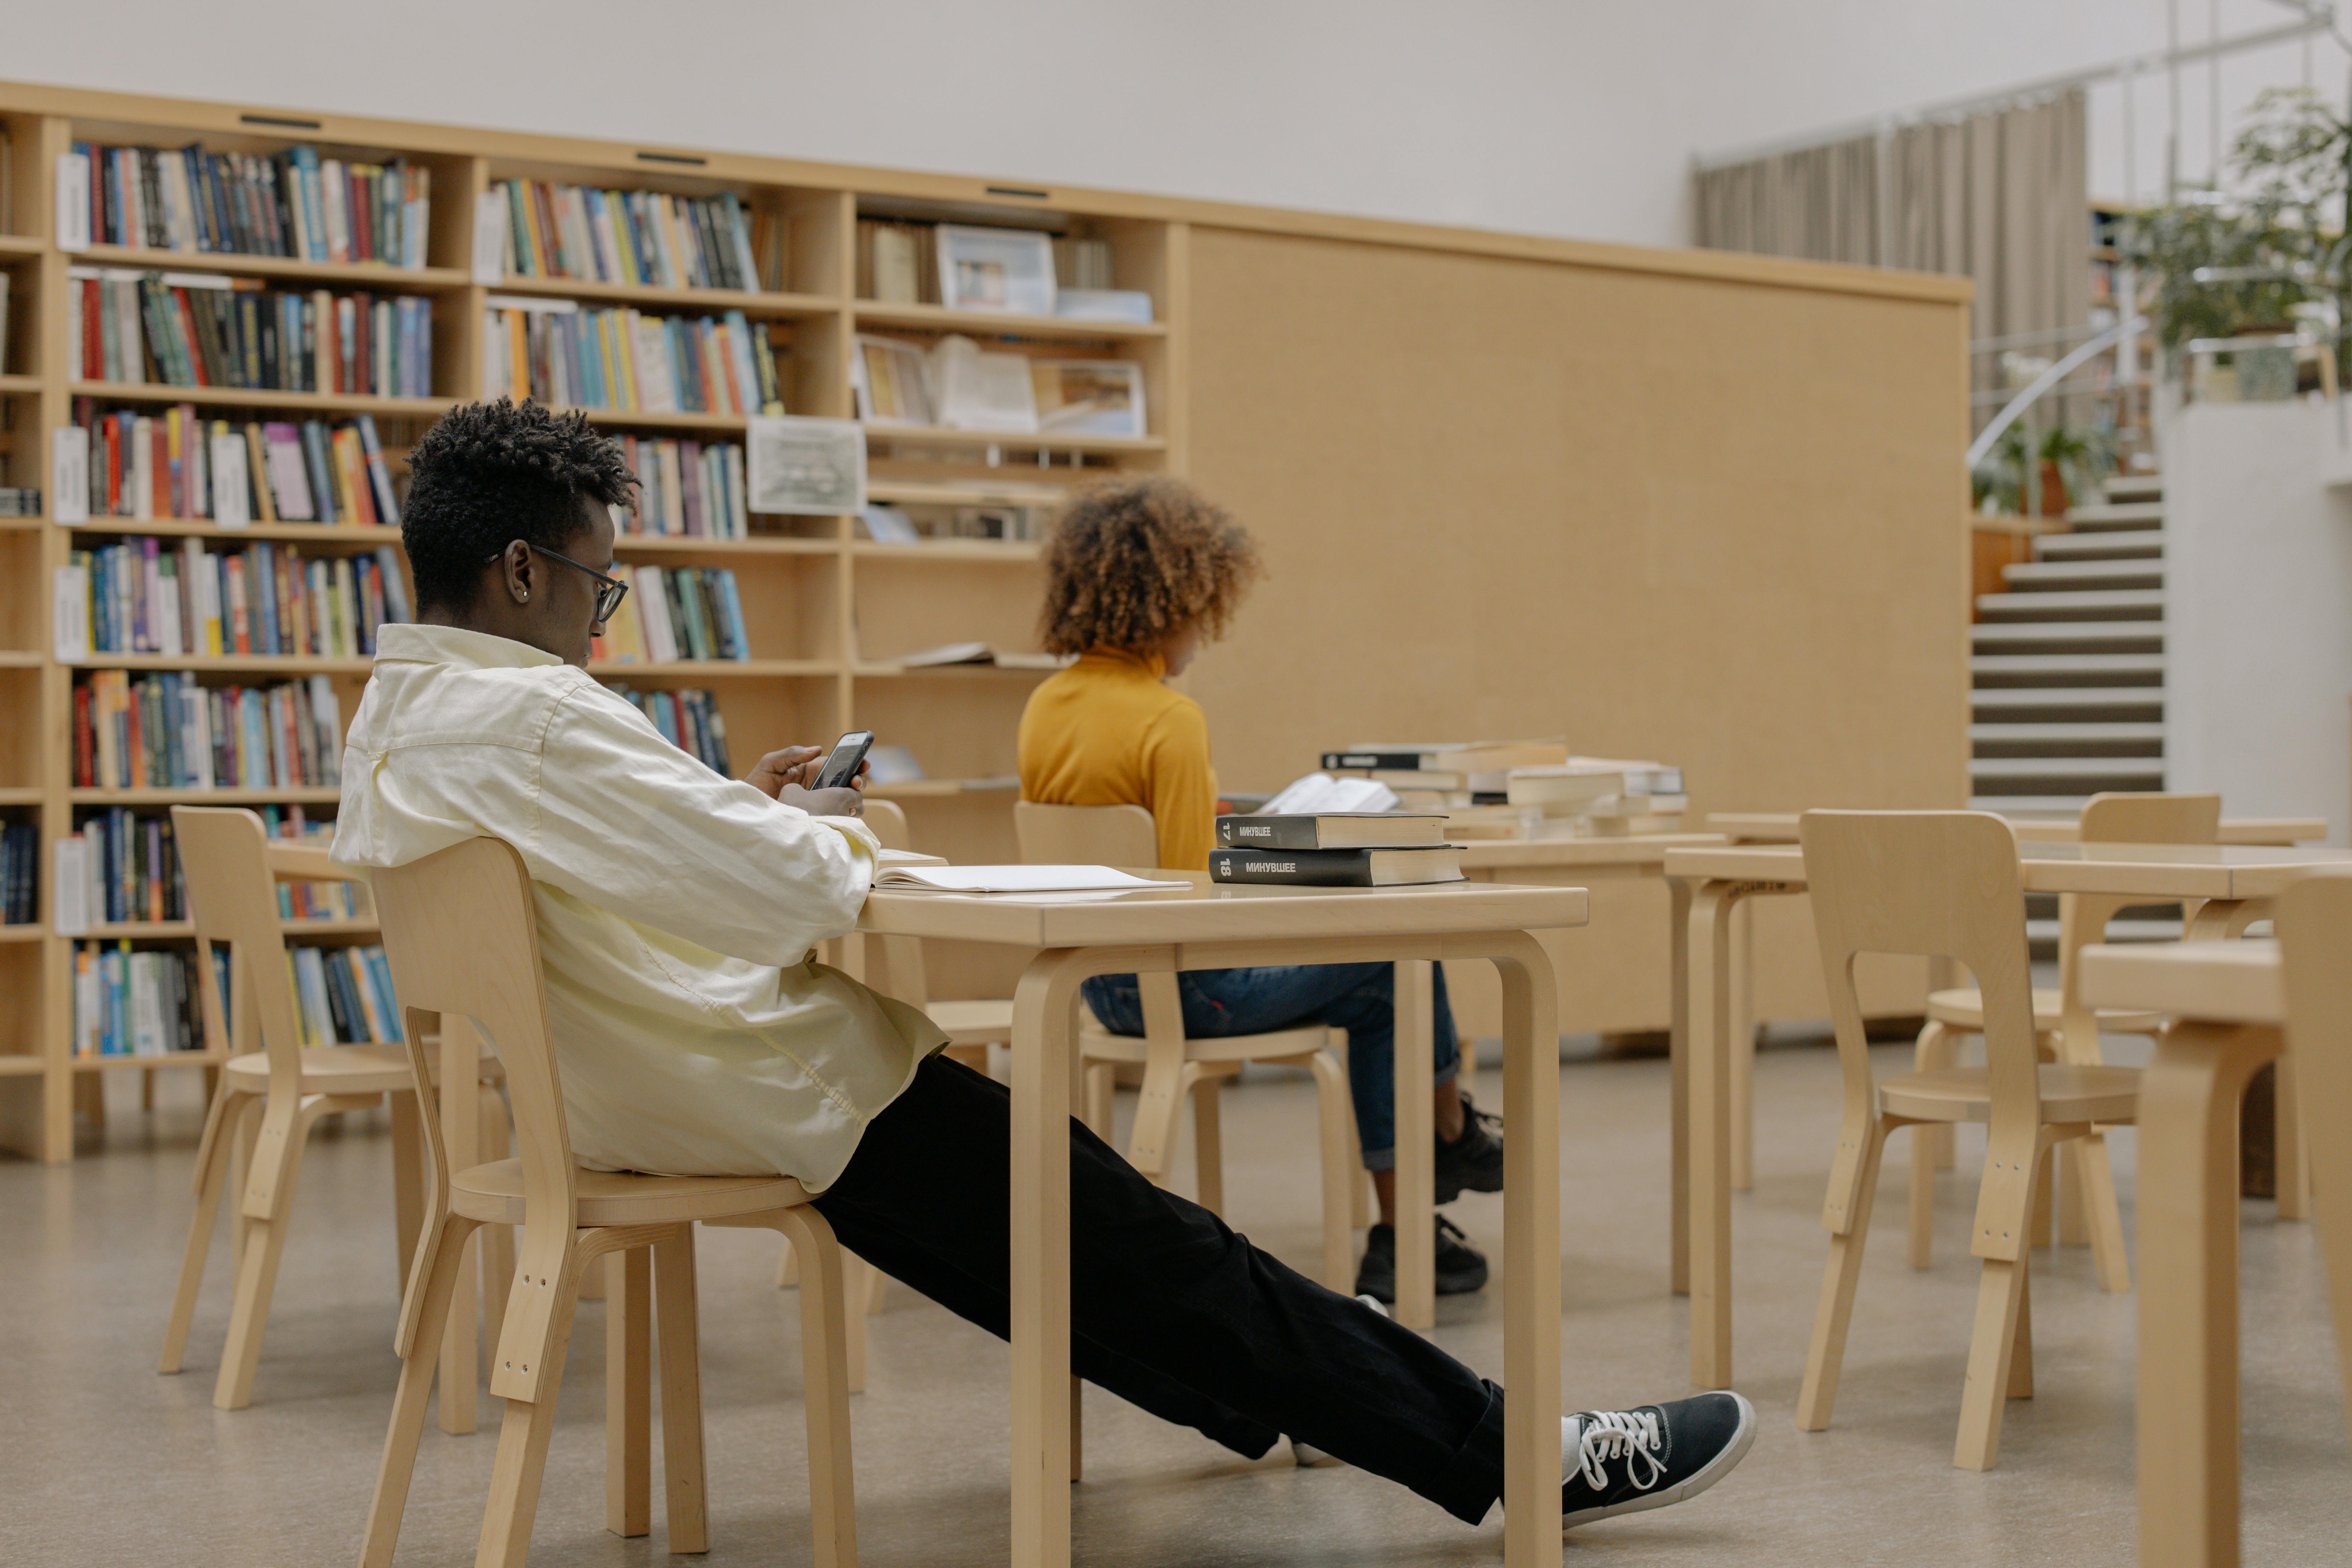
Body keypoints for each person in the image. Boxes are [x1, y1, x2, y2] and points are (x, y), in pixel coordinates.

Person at [330, 399, 1754, 1537]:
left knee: (1075, 1255)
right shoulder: (537, 715)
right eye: (601, 582)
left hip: (617, 1102)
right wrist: (825, 828)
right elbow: (781, 896)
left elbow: (627, 868)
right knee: (1149, 1244)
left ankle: (1324, 1387)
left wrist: (736, 810)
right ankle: (1516, 1452)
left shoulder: (403, 716)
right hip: (761, 1090)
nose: (604, 617)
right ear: (522, 569)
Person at [1017, 476, 1494, 1302]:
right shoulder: (1170, 719)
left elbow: (1124, 842)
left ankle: (1445, 1157)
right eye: (1204, 609)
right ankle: (1419, 1197)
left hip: (1098, 987)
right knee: (1396, 967)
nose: (1206, 630)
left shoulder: (1045, 705)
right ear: (1174, 601)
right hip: (1187, 991)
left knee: (1386, 967)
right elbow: (1190, 890)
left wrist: (1220, 816)